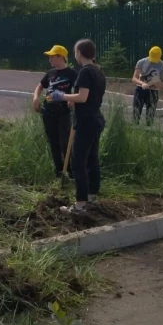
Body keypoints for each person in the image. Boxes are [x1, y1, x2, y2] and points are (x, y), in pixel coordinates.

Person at [49, 39, 107, 213]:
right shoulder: (98, 71)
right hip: (96, 118)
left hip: (86, 122)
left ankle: (80, 204)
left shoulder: (85, 72)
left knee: (78, 160)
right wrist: (75, 102)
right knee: (92, 158)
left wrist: (63, 96)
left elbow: (82, 97)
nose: (75, 55)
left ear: (80, 52)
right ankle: (91, 196)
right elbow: (89, 97)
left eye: (75, 51)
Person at [32, 45, 77, 178]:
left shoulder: (72, 73)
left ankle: (70, 170)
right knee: (53, 142)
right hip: (48, 112)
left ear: (61, 57)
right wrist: (35, 98)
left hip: (63, 112)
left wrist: (73, 99)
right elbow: (40, 87)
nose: (50, 59)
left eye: (52, 56)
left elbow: (80, 89)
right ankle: (58, 172)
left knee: (65, 142)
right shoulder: (50, 73)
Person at [132, 46, 163, 124]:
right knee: (136, 113)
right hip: (140, 90)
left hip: (153, 92)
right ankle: (134, 128)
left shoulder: (162, 65)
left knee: (150, 117)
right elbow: (134, 78)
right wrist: (142, 83)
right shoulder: (141, 62)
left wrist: (158, 84)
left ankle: (149, 130)